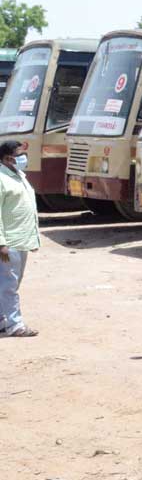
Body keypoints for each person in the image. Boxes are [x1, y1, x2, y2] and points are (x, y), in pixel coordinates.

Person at [0, 141, 40, 337]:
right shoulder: (1, 178)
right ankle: (15, 325)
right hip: (8, 242)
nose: (23, 158)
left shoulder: (19, 176)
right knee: (9, 284)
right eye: (19, 154)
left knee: (12, 283)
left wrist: (33, 239)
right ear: (8, 158)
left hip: (22, 239)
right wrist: (1, 243)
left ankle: (2, 320)